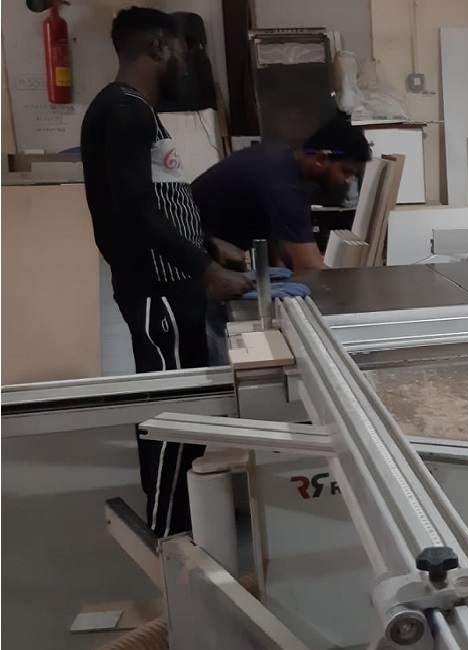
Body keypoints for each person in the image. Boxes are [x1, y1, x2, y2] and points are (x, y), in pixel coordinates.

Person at [80, 7, 252, 537]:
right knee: (175, 413)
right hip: (159, 289)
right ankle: (170, 535)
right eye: (180, 51)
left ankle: (185, 517)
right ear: (158, 48)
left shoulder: (136, 110)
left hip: (173, 283)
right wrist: (204, 268)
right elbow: (134, 208)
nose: (184, 63)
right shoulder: (124, 111)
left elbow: (162, 198)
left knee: (184, 406)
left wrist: (208, 242)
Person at [191, 115, 373, 272]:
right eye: (346, 171)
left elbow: (279, 238)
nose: (347, 180)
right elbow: (310, 268)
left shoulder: (280, 158)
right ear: (321, 158)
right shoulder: (285, 185)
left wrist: (280, 267)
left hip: (198, 240)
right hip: (187, 247)